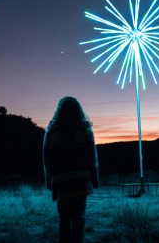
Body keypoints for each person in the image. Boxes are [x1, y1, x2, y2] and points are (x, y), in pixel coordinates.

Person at [43, 96, 99, 243]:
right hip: (81, 181)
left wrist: (49, 180)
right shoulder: (84, 130)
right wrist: (95, 178)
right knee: (79, 218)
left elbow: (47, 159)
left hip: (61, 182)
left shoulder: (51, 132)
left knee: (64, 220)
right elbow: (92, 156)